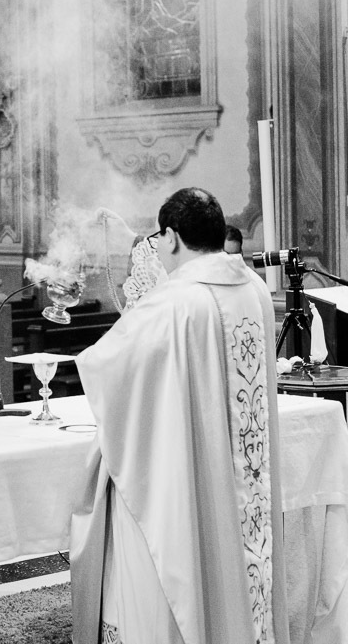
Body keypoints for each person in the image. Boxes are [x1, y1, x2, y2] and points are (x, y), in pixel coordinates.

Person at [70, 187, 288, 644]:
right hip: (246, 475)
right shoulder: (254, 289)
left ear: (170, 238)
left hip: (194, 476)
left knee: (187, 557)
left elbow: (105, 366)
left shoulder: (174, 301)